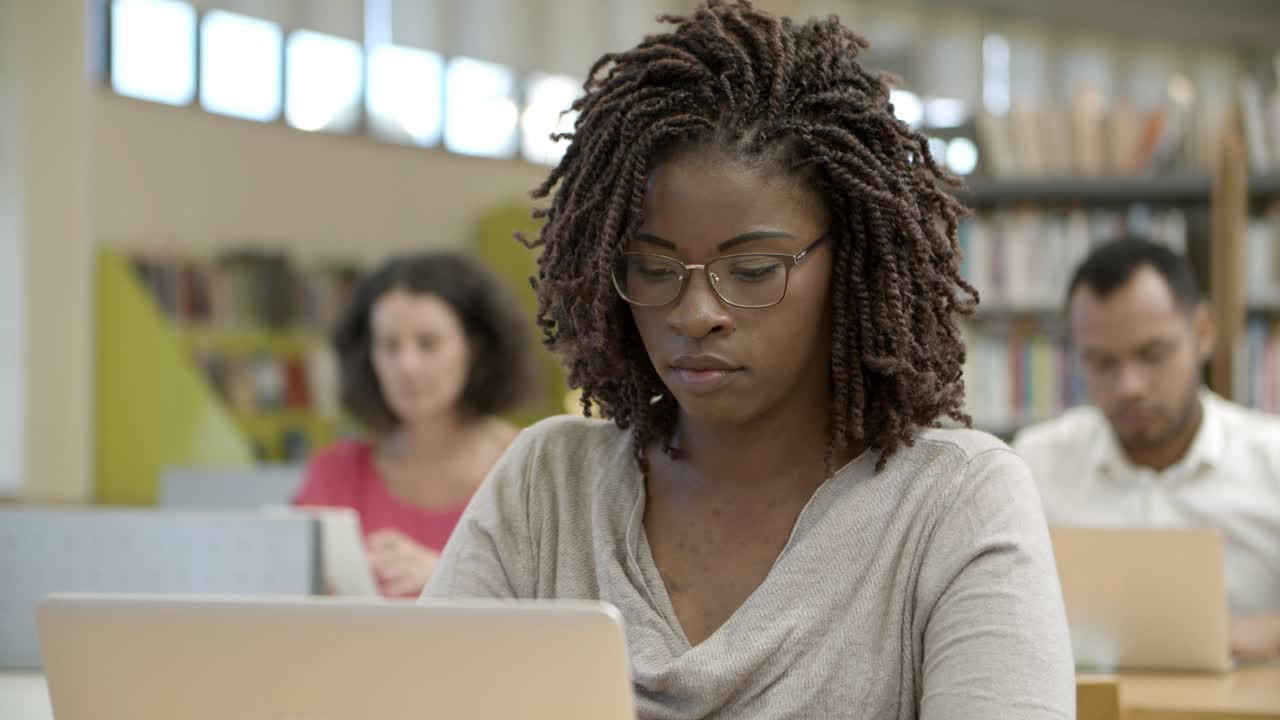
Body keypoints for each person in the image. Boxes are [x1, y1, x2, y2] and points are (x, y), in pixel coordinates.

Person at [423, 2, 1074, 717]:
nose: (695, 312)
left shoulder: (955, 504)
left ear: (851, 265)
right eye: (653, 269)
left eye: (755, 269)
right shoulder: (546, 488)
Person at [1013, 237, 1280, 661]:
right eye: (1101, 363)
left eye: (1153, 354)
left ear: (1203, 333)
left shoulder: (1272, 459)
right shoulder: (1037, 464)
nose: (1129, 387)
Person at [294, 251, 537, 598]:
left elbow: (562, 612)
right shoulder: (333, 475)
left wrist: (451, 578)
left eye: (429, 343)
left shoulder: (531, 470)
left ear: (475, 349)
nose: (407, 365)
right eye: (390, 346)